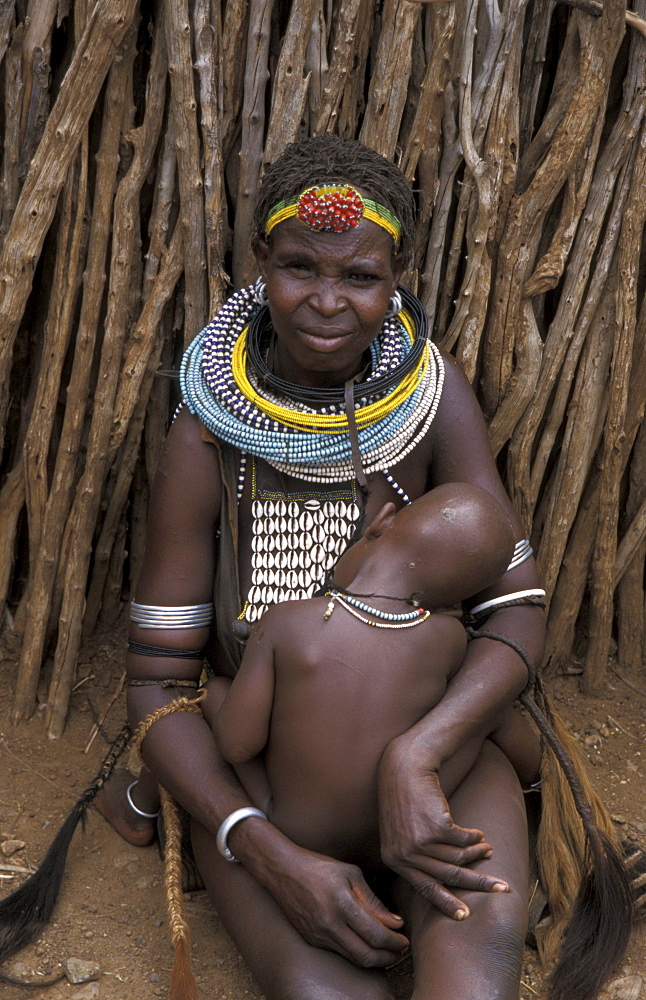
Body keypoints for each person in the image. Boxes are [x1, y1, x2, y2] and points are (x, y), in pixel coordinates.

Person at [96, 134, 550, 1000]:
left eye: (363, 277)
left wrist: (418, 755)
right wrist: (264, 851)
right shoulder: (205, 438)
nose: (329, 302)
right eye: (301, 268)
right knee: (327, 995)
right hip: (262, 784)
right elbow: (158, 688)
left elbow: (517, 607)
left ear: (397, 280)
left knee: (473, 984)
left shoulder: (431, 399)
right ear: (259, 264)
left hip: (443, 752)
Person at [206, 483, 543, 883]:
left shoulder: (284, 621)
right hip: (390, 838)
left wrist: (215, 698)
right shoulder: (449, 640)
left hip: (296, 832)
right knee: (488, 716)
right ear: (453, 602)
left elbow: (238, 744)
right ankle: (538, 784)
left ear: (381, 521)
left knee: (217, 691)